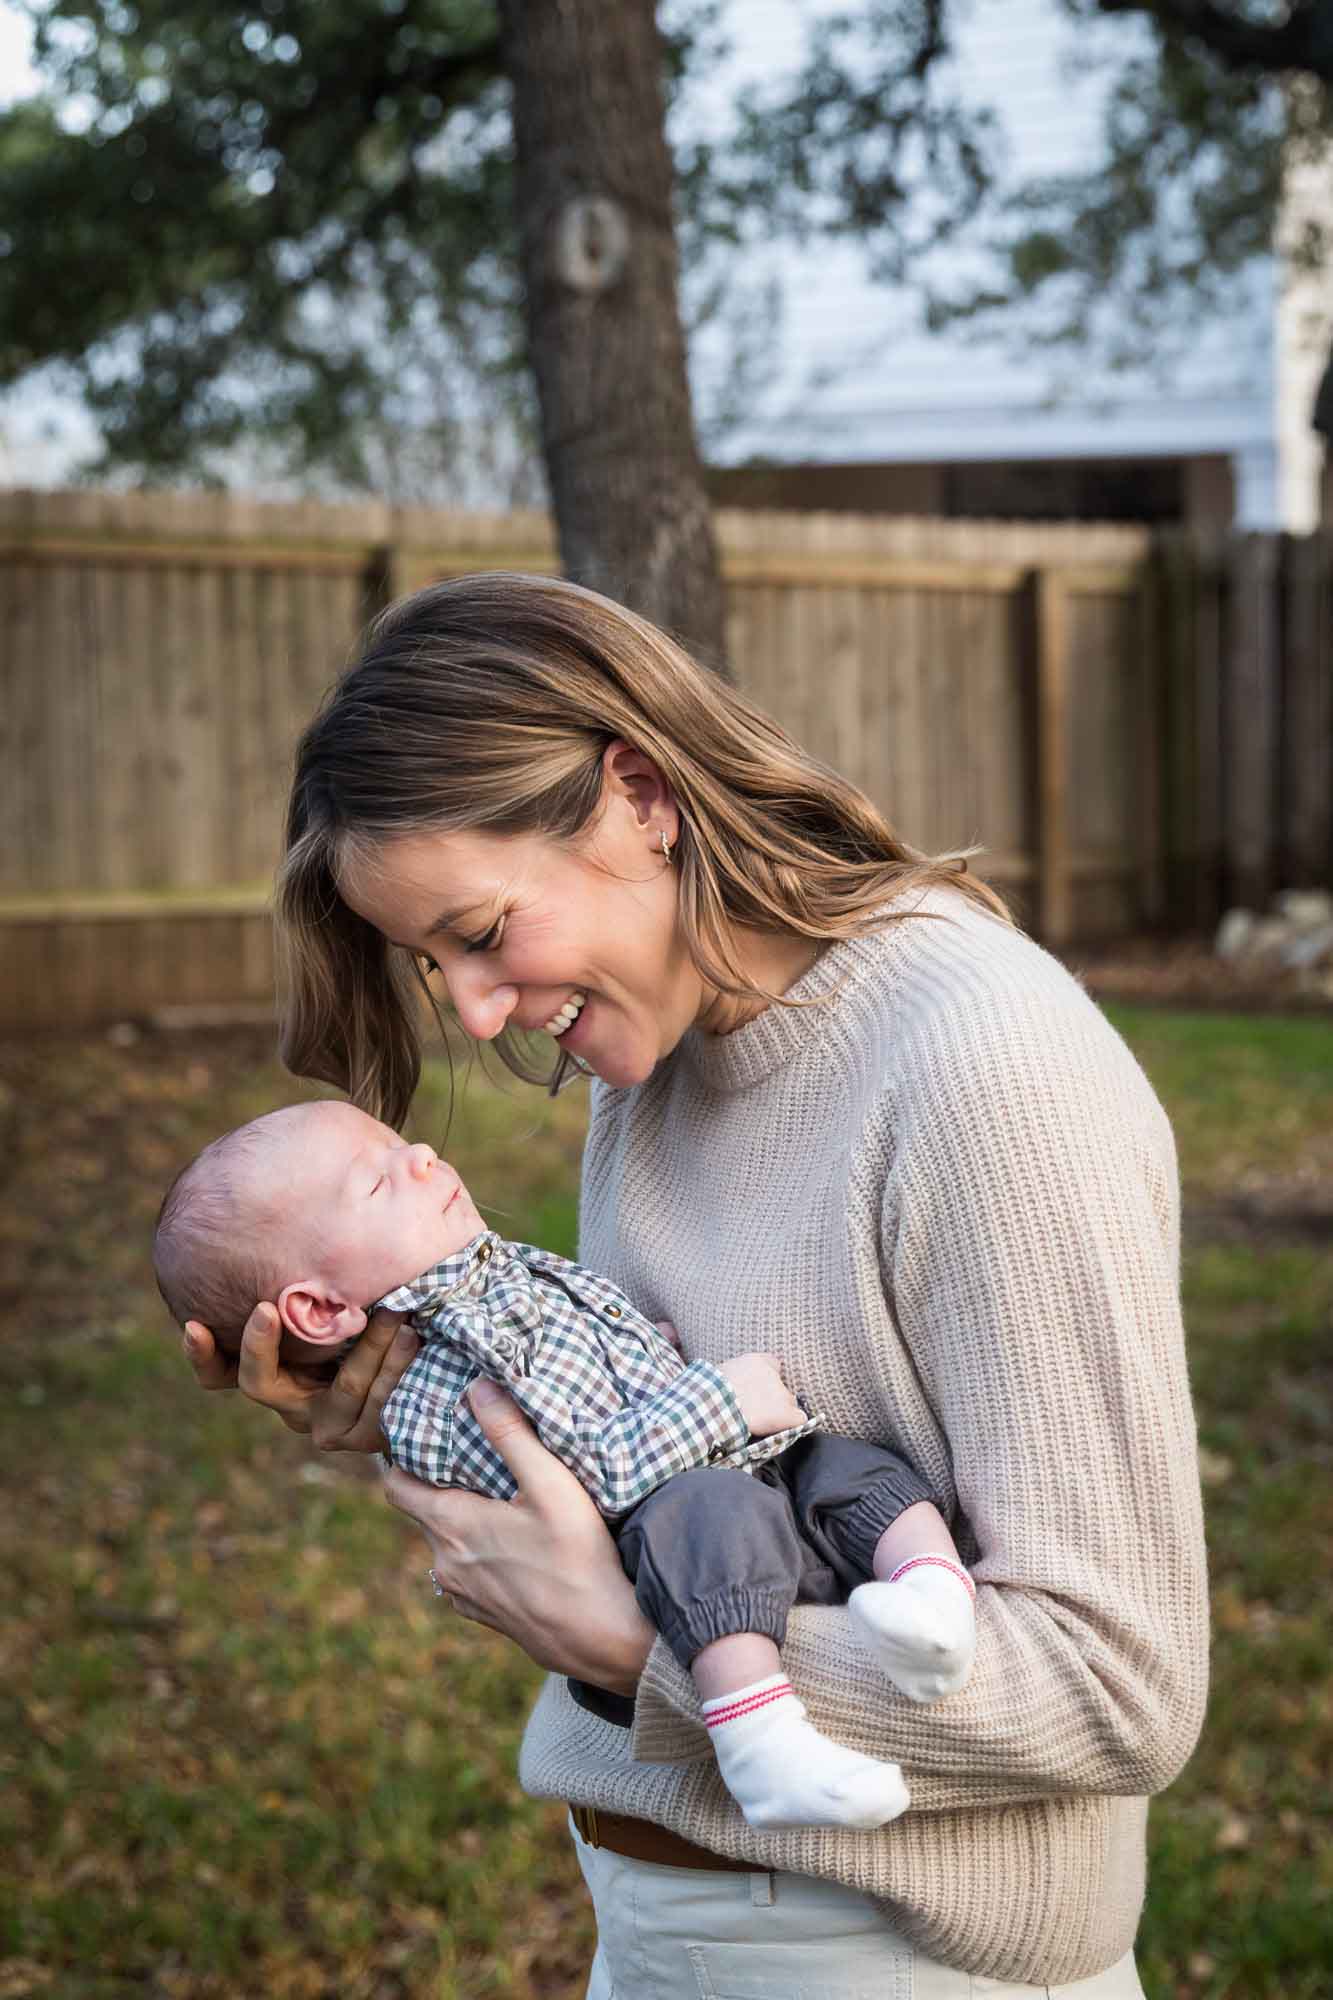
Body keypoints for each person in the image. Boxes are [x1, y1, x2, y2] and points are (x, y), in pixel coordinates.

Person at [183, 571, 1208, 1994]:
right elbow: (671, 1462)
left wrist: (629, 1651)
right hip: (675, 1929)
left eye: (481, 936)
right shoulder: (663, 1054)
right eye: (436, 967)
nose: (476, 1014)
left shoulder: (984, 1068)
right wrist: (428, 1398)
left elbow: (1118, 1689)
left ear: (641, 798)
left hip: (884, 1956)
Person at [155, 1097, 978, 1832]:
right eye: (376, 1182)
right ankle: (761, 1739)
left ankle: (933, 1605)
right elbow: (595, 1481)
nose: (422, 1157)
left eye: (400, 1143)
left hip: (745, 1470)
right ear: (319, 1308)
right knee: (713, 1514)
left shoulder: (488, 1281)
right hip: (671, 1544)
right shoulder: (450, 1368)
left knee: (852, 1471)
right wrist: (727, 1399)